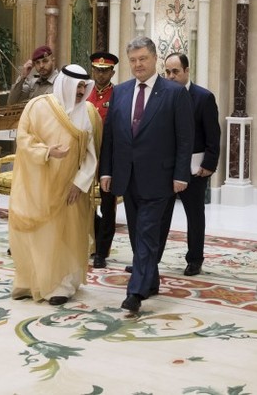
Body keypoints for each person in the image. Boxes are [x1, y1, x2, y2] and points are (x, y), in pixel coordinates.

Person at [100, 37, 194, 314]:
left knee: (147, 232)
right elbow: (110, 136)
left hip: (160, 178)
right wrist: (106, 170)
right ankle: (150, 280)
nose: (138, 64)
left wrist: (181, 175)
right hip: (126, 176)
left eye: (143, 59)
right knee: (136, 233)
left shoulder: (175, 93)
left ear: (155, 59)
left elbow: (184, 138)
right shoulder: (120, 92)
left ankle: (135, 292)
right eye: (133, 60)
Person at [9, 64, 101, 306]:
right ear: (65, 84)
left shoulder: (88, 113)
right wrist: (47, 152)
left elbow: (91, 155)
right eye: (77, 86)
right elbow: (24, 139)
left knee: (68, 237)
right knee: (40, 236)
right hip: (39, 185)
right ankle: (31, 282)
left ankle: (62, 285)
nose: (81, 91)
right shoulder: (37, 106)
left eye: (84, 86)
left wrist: (80, 184)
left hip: (71, 189)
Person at [158, 52, 221, 276]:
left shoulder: (203, 97)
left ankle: (195, 259)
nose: (170, 76)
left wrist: (209, 164)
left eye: (175, 71)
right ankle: (150, 259)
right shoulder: (161, 96)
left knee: (194, 215)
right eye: (167, 72)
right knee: (160, 216)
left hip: (195, 169)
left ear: (186, 71)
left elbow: (213, 135)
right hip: (166, 167)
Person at [87, 50, 119, 269]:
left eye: (105, 71)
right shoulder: (84, 93)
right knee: (83, 203)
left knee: (108, 207)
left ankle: (102, 251)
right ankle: (90, 240)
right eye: (97, 70)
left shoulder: (118, 95)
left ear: (112, 72)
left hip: (108, 158)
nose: (101, 75)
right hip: (86, 157)